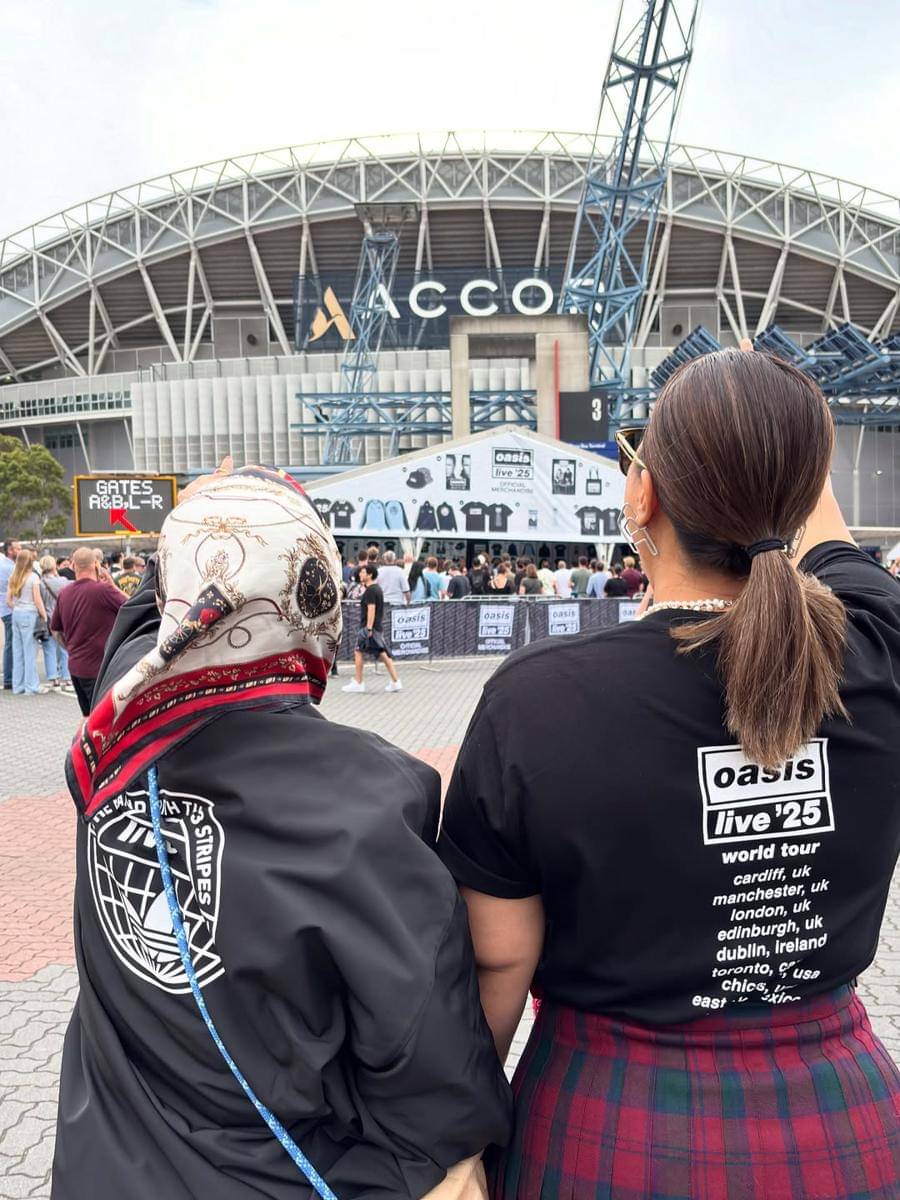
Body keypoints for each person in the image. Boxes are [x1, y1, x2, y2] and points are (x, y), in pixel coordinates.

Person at [438, 347, 900, 1199]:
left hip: (608, 1117)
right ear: (799, 498)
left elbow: (500, 961)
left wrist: (456, 1138)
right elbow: (836, 552)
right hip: (844, 1121)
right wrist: (784, 435)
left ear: (642, 493)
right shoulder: (879, 658)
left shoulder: (541, 700)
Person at [53, 464, 511, 1200]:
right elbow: (425, 1056)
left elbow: (154, 613)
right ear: (316, 596)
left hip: (104, 1165)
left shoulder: (117, 736)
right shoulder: (366, 797)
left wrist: (215, 514)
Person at [49, 546, 126, 715]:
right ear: (96, 565)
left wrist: (70, 649)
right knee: (103, 720)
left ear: (73, 566)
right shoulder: (104, 590)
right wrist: (113, 585)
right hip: (99, 670)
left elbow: (55, 630)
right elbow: (134, 606)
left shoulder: (64, 593)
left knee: (87, 716)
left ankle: (80, 741)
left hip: (76, 667)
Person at [342, 563, 402, 693]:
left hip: (369, 628)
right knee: (383, 653)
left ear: (369, 575)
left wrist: (368, 628)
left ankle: (358, 682)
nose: (360, 574)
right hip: (376, 627)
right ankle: (395, 681)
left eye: (363, 572)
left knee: (358, 651)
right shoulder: (377, 589)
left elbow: (371, 609)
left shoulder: (370, 591)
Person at [5, 548, 48, 695]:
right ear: (30, 562)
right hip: (29, 614)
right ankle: (31, 686)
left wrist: (17, 607)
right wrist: (44, 616)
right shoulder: (33, 578)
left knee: (18, 652)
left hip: (16, 614)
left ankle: (18, 686)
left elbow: (8, 601)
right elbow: (37, 600)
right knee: (30, 652)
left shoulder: (13, 577)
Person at [38, 555, 74, 693]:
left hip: (47, 619)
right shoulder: (63, 581)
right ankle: (67, 677)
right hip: (61, 618)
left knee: (49, 650)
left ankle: (54, 679)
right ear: (54, 566)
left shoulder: (40, 583)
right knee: (64, 649)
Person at [0, 538, 21, 689]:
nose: (19, 551)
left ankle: (10, 677)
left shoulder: (4, 565)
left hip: (5, 608)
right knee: (12, 644)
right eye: (17, 548)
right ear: (10, 550)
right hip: (11, 608)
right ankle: (9, 678)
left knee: (10, 642)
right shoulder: (11, 568)